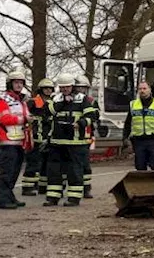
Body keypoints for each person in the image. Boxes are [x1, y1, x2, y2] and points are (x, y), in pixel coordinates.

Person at [44, 74, 94, 206]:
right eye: (62, 86)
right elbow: (48, 113)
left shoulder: (82, 99)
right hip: (57, 142)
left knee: (74, 171)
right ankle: (52, 197)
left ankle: (74, 198)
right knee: (54, 171)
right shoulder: (55, 99)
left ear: (72, 86)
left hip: (75, 143)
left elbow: (91, 116)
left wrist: (82, 123)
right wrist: (63, 103)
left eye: (67, 86)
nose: (65, 89)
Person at [0, 70, 30, 209]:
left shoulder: (21, 101)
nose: (19, 85)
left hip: (19, 141)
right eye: (16, 82)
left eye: (21, 83)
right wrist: (23, 119)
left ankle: (9, 195)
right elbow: (3, 118)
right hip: (6, 141)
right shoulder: (3, 100)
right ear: (10, 84)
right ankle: (2, 199)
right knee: (7, 171)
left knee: (15, 171)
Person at [123, 81, 154, 171]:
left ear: (150, 90)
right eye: (140, 89)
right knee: (140, 166)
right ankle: (142, 185)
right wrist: (125, 137)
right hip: (139, 140)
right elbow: (128, 122)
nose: (142, 91)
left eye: (144, 88)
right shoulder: (133, 105)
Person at [21, 78, 54, 196]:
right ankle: (27, 187)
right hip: (34, 138)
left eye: (50, 88)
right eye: (46, 88)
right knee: (33, 163)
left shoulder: (53, 103)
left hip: (48, 138)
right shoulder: (33, 102)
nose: (48, 90)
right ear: (41, 89)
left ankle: (42, 187)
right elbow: (25, 115)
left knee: (46, 163)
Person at [73, 75, 100, 198]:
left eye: (83, 88)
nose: (81, 90)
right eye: (78, 88)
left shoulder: (91, 101)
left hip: (88, 136)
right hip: (74, 136)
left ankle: (86, 188)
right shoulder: (71, 100)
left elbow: (96, 117)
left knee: (86, 164)